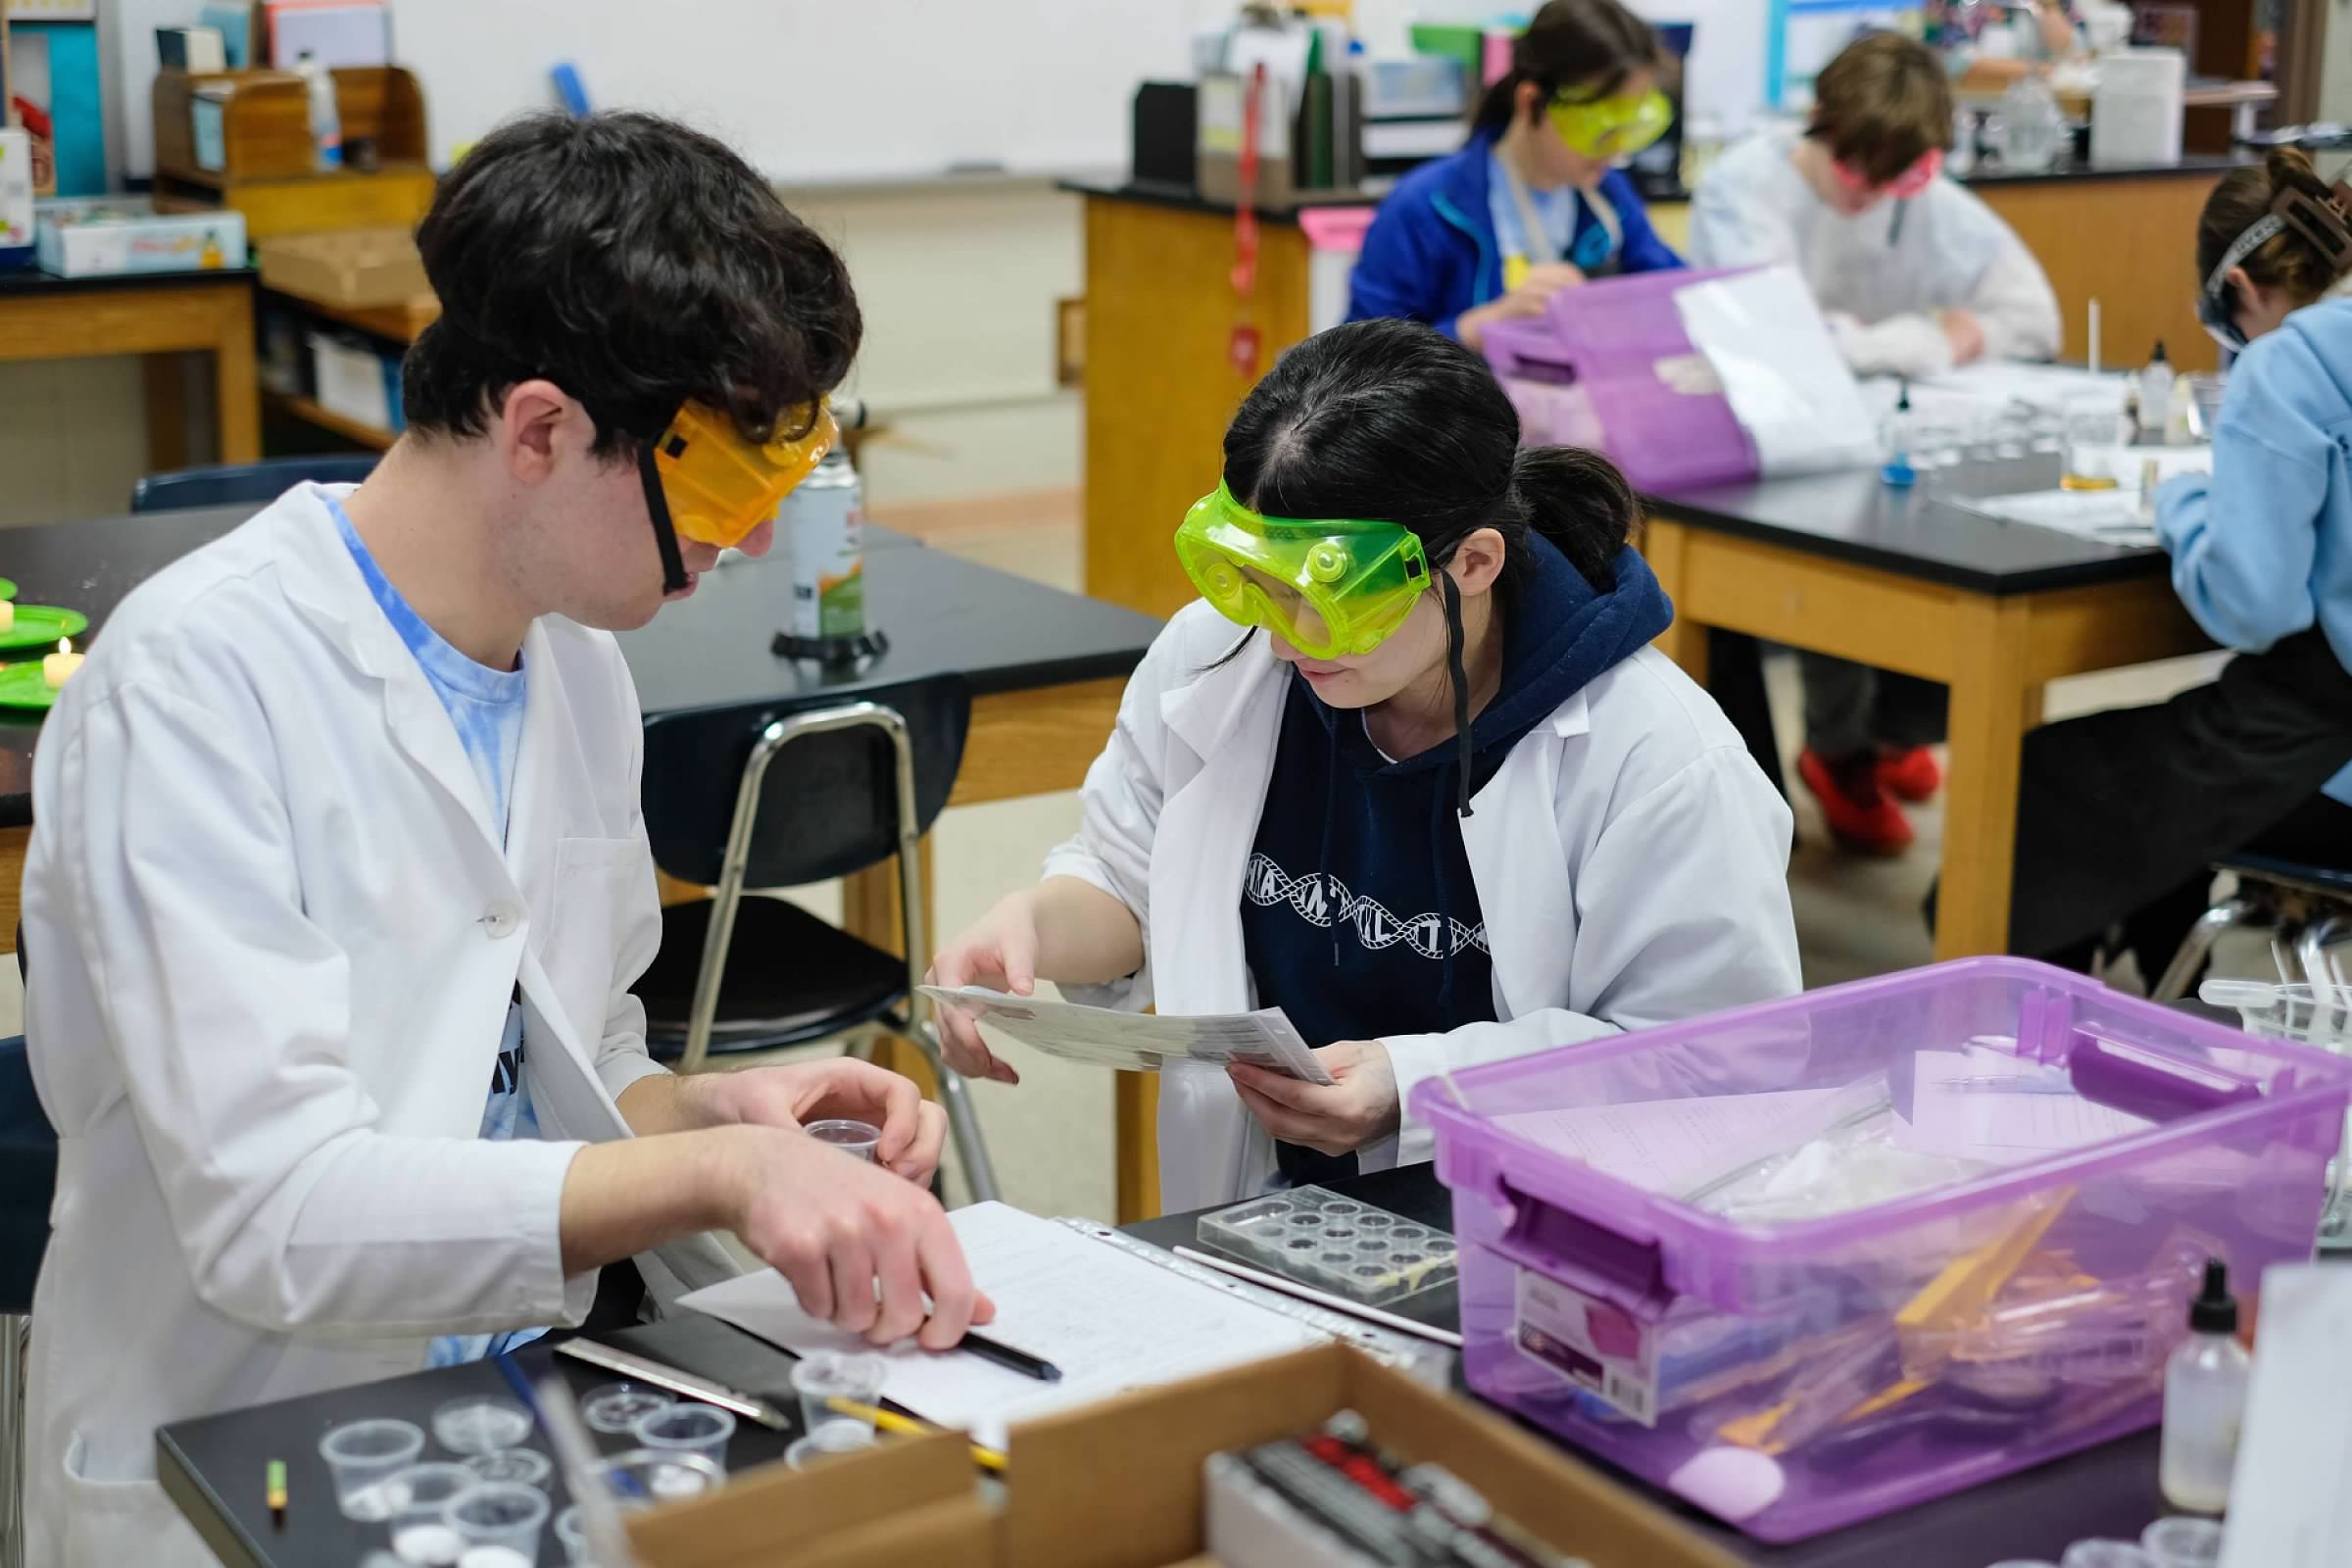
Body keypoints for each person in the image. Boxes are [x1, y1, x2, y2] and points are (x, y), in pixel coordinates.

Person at [22, 113, 990, 1567]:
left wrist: (715, 1114)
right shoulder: (195, 681)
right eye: (719, 494)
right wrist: (723, 1186)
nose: (736, 551)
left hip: (496, 1424)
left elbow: (572, 1066)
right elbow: (278, 1215)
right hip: (229, 1452)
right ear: (539, 428)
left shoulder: (576, 666)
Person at [926, 318, 1800, 1212]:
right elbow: (1131, 880)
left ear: (1472, 563)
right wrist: (1032, 925)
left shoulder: (1657, 757)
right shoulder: (1219, 659)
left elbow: (1710, 1065)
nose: (1282, 632)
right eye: (1259, 582)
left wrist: (1416, 1088)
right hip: (1272, 1210)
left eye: (1329, 599)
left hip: (1527, 1230)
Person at [1690, 30, 2062, 857]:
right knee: (1828, 561)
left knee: (1950, 533)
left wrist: (1874, 338)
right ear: (1822, 127)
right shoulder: (1743, 191)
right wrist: (1936, 335)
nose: (1877, 195)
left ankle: (1884, 736)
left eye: (1903, 177)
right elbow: (1779, 345)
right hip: (1769, 452)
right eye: (1861, 173)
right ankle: (1839, 747)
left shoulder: (1918, 196)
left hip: (1893, 435)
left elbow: (2035, 316)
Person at [2003, 149, 2352, 986]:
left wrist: (2183, 503)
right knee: (2164, 754)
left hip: (2333, 738)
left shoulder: (2291, 362)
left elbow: (2254, 603)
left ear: (2235, 294)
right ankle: (2170, 982)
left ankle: (2035, 1033)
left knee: (2045, 780)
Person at [1346, 0, 1684, 350]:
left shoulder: (1609, 197)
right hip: (1465, 404)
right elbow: (1357, 363)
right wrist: (1479, 328)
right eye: (1599, 131)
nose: (1615, 152)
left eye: (1630, 130)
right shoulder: (1423, 209)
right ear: (1531, 102)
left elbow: (1675, 294)